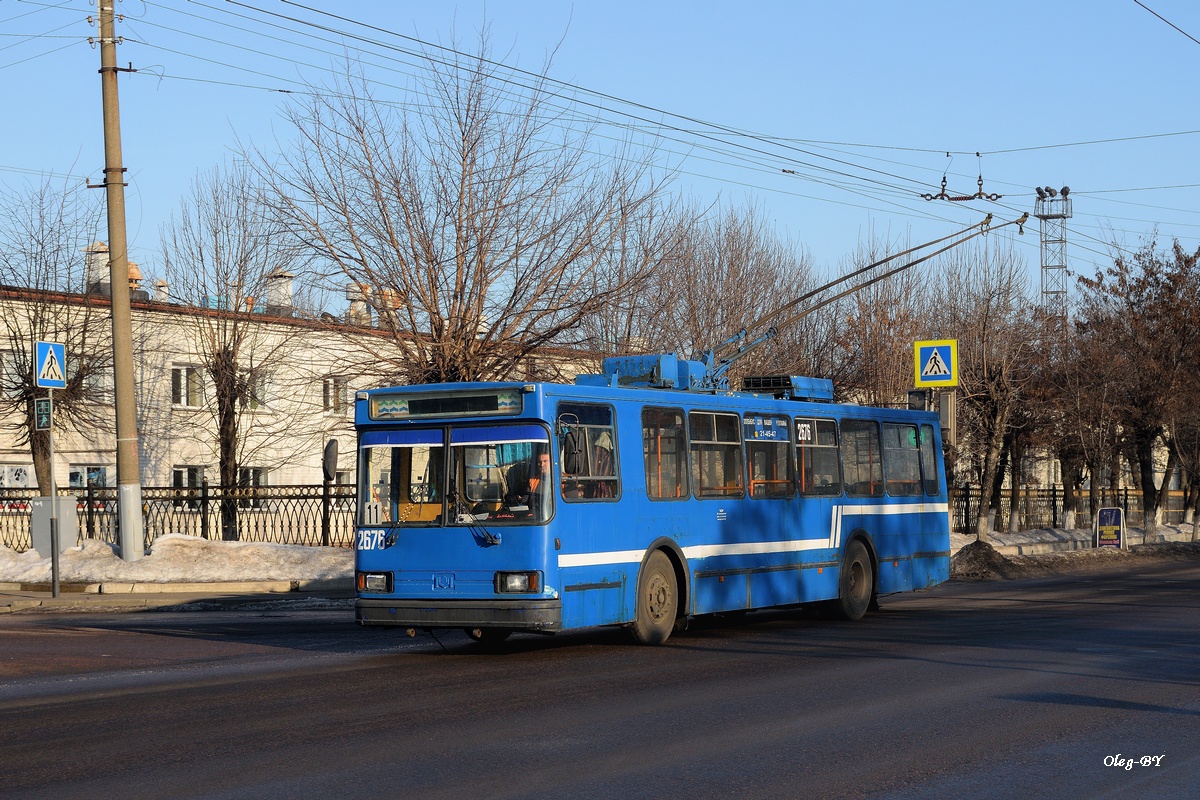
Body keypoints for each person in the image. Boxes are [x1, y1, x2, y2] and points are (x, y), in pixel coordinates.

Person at [507, 450, 553, 519]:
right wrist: (519, 500)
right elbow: (525, 499)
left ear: (552, 462)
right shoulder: (533, 480)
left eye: (545, 461)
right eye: (539, 462)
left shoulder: (563, 480)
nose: (542, 465)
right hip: (535, 517)